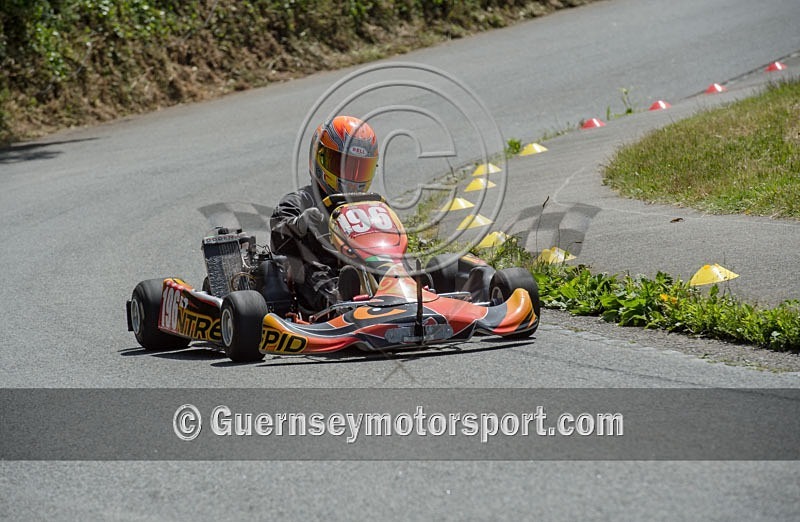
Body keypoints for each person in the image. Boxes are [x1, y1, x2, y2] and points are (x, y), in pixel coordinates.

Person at [270, 115, 379, 313]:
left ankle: (414, 293)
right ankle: (339, 305)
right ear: (319, 158)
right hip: (315, 272)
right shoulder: (299, 201)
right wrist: (301, 224)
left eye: (359, 168)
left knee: (386, 260)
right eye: (343, 165)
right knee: (307, 267)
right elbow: (279, 234)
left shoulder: (369, 206)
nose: (352, 178)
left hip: (359, 266)